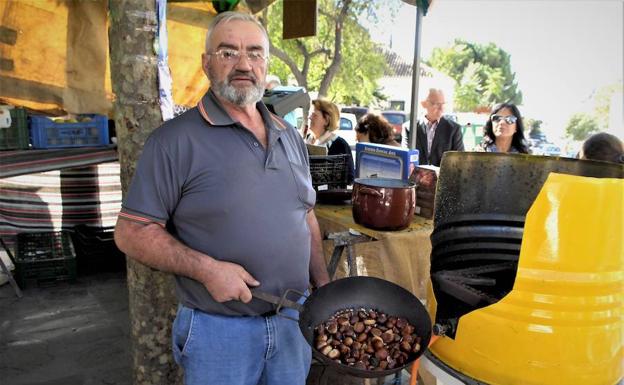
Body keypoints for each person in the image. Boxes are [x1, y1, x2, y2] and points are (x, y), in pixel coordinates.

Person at [113, 11, 330, 385]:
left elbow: (305, 216)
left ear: (267, 63)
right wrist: (207, 270)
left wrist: (324, 289)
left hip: (293, 322)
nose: (244, 64)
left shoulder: (290, 136)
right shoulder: (174, 141)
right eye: (228, 53)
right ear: (206, 63)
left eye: (255, 53)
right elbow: (132, 232)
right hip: (219, 332)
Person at [402, 88, 464, 166]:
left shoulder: (453, 129)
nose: (441, 108)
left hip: (443, 177)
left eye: (443, 104)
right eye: (437, 104)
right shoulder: (410, 128)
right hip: (416, 177)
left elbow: (460, 161)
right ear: (424, 104)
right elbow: (405, 158)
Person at [307, 98, 355, 183]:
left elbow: (349, 179)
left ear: (326, 120)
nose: (309, 117)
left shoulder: (340, 144)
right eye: (311, 114)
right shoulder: (308, 139)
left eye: (314, 115)